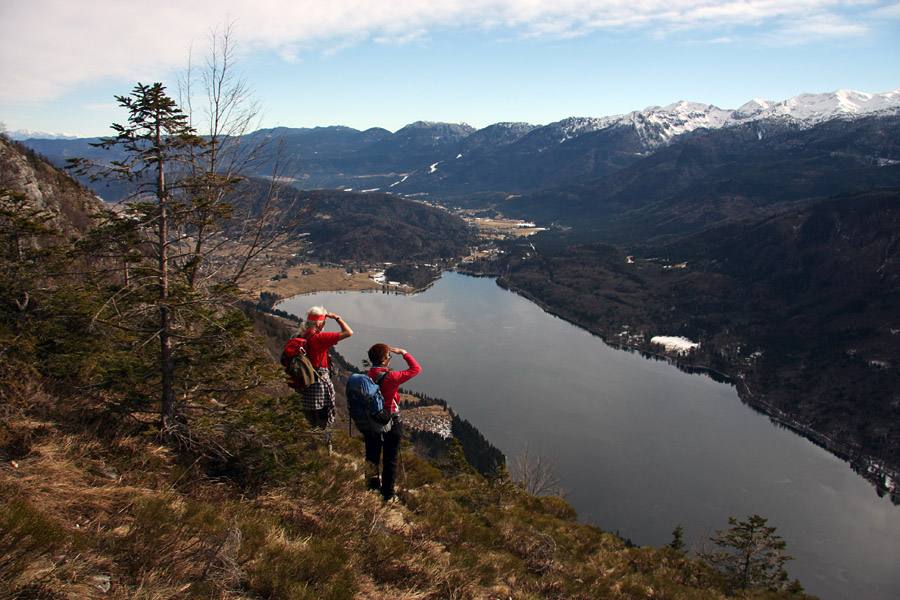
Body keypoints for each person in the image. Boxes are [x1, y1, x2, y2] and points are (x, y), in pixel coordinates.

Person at [364, 344, 421, 502]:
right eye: (389, 357)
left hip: (372, 422)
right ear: (383, 362)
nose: (390, 359)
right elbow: (416, 369)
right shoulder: (391, 377)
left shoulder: (366, 375)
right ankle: (388, 494)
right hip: (390, 420)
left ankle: (371, 488)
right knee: (390, 458)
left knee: (372, 456)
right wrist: (404, 353)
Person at [297, 306, 352, 432]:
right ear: (318, 323)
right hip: (319, 384)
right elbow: (348, 332)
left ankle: (309, 442)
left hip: (304, 383)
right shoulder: (319, 338)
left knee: (308, 419)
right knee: (323, 420)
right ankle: (322, 445)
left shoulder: (300, 335)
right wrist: (337, 318)